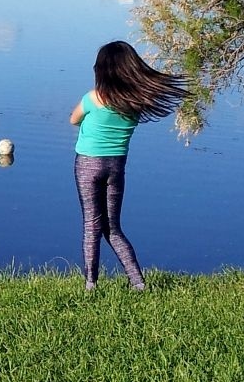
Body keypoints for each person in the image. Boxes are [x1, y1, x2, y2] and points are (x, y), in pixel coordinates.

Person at [70, 40, 189, 291]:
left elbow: (73, 119)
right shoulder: (134, 104)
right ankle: (137, 282)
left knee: (91, 225)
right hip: (116, 167)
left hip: (88, 165)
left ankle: (90, 284)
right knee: (112, 227)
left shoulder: (93, 98)